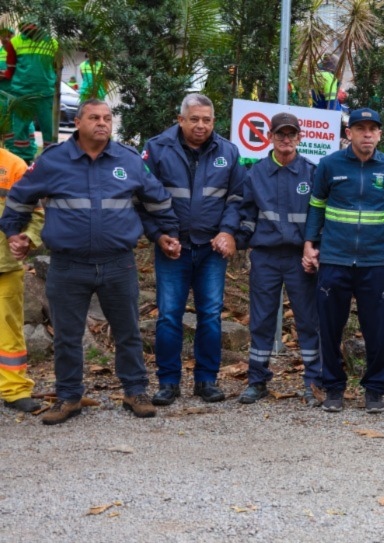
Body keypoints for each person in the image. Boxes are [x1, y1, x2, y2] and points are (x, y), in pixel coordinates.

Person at [0, 99, 181, 424]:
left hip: (118, 263)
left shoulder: (128, 159)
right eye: (94, 118)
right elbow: (18, 197)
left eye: (107, 118)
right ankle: (68, 397)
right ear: (79, 123)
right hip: (68, 266)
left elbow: (157, 200)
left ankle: (135, 391)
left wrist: (166, 233)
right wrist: (16, 233)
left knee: (128, 332)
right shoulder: (53, 160)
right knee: (68, 335)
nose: (102, 123)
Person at [142, 93, 247, 405]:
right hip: (172, 249)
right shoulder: (156, 148)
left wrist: (228, 232)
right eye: (194, 119)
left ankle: (206, 381)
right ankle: (168, 383)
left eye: (207, 120)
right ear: (180, 119)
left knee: (211, 316)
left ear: (214, 122)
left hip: (211, 250)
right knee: (169, 316)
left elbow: (237, 198)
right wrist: (159, 236)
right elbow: (143, 199)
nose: (201, 125)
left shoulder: (228, 151)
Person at [303, 108, 384, 414]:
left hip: (374, 263)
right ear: (348, 133)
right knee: (331, 327)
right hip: (334, 259)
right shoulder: (329, 165)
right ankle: (333, 387)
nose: (366, 134)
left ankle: (374, 390)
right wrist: (309, 244)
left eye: (372, 129)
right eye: (359, 128)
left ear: (379, 134)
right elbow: (316, 207)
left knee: (376, 330)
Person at [234, 112, 323, 405]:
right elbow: (246, 213)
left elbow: (319, 215)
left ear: (300, 138)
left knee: (308, 320)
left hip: (301, 258)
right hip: (266, 257)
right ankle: (257, 380)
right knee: (261, 320)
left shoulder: (312, 172)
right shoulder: (256, 172)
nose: (286, 140)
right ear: (270, 137)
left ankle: (313, 381)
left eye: (291, 134)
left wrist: (316, 248)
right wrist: (238, 243)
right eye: (280, 134)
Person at [0, 147, 42, 413]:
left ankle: (14, 390)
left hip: (4, 265)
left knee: (9, 330)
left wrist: (29, 237)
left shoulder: (13, 165)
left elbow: (36, 212)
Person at [8, 22, 57, 164]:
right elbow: (11, 67)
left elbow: (56, 66)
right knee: (20, 128)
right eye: (25, 28)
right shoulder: (15, 42)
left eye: (33, 28)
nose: (29, 31)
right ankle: (22, 160)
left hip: (45, 93)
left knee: (48, 128)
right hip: (21, 93)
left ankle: (49, 160)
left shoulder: (53, 43)